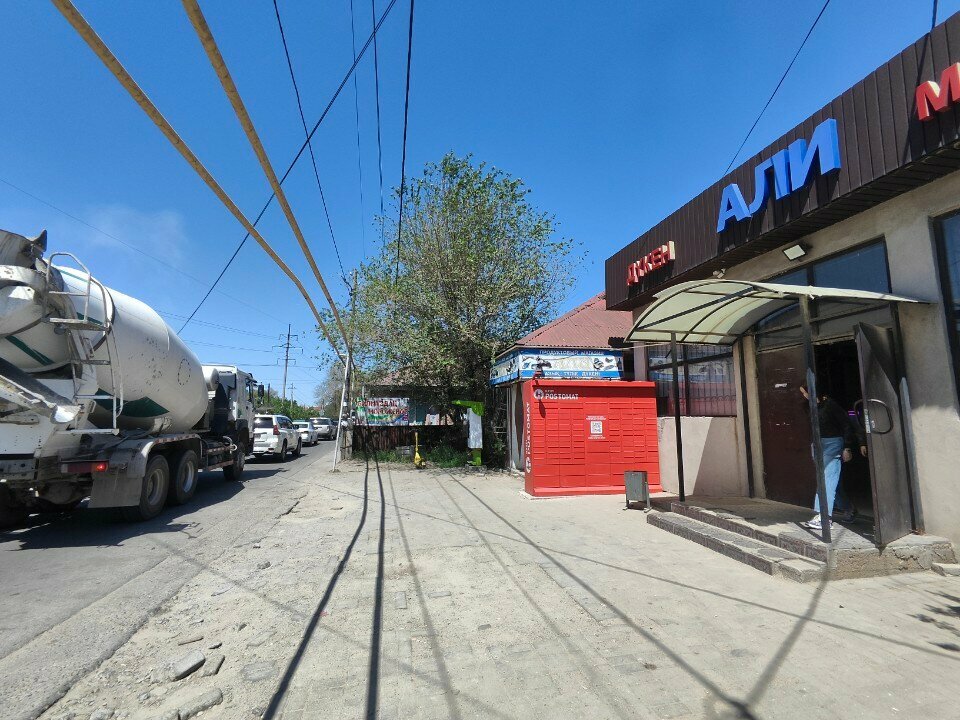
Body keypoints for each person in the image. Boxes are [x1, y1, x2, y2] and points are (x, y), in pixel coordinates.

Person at [798, 383, 867, 531]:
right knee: (831, 479)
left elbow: (847, 424)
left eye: (805, 393)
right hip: (817, 444)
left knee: (826, 478)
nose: (804, 396)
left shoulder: (830, 405)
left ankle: (823, 517)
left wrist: (847, 446)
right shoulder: (810, 407)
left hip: (833, 443)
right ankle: (849, 508)